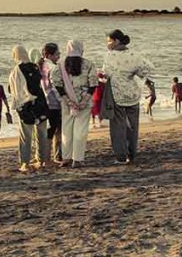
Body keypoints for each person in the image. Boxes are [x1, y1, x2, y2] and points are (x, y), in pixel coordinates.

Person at [102, 30, 154, 164]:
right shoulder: (135, 55)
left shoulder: (110, 56)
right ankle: (132, 154)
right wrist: (133, 74)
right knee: (133, 126)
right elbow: (147, 69)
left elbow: (106, 73)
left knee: (117, 126)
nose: (107, 44)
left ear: (116, 41)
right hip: (133, 93)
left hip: (117, 93)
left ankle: (120, 156)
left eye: (109, 41)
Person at [50, 40, 99, 168]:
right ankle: (77, 159)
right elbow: (93, 84)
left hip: (67, 103)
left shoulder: (60, 65)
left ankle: (66, 157)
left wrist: (69, 101)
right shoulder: (89, 64)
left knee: (66, 130)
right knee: (80, 131)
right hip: (84, 102)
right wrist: (83, 101)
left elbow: (57, 85)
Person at [9, 46, 51, 172]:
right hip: (40, 103)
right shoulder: (35, 67)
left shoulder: (16, 71)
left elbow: (13, 90)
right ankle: (43, 160)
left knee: (25, 135)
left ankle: (25, 163)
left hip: (26, 105)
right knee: (42, 133)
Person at [40, 43, 64, 162]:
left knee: (50, 131)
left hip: (46, 102)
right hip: (54, 103)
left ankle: (46, 157)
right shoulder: (52, 67)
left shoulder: (41, 65)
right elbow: (55, 87)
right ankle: (55, 156)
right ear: (49, 55)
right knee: (57, 130)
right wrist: (63, 100)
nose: (59, 55)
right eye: (57, 53)